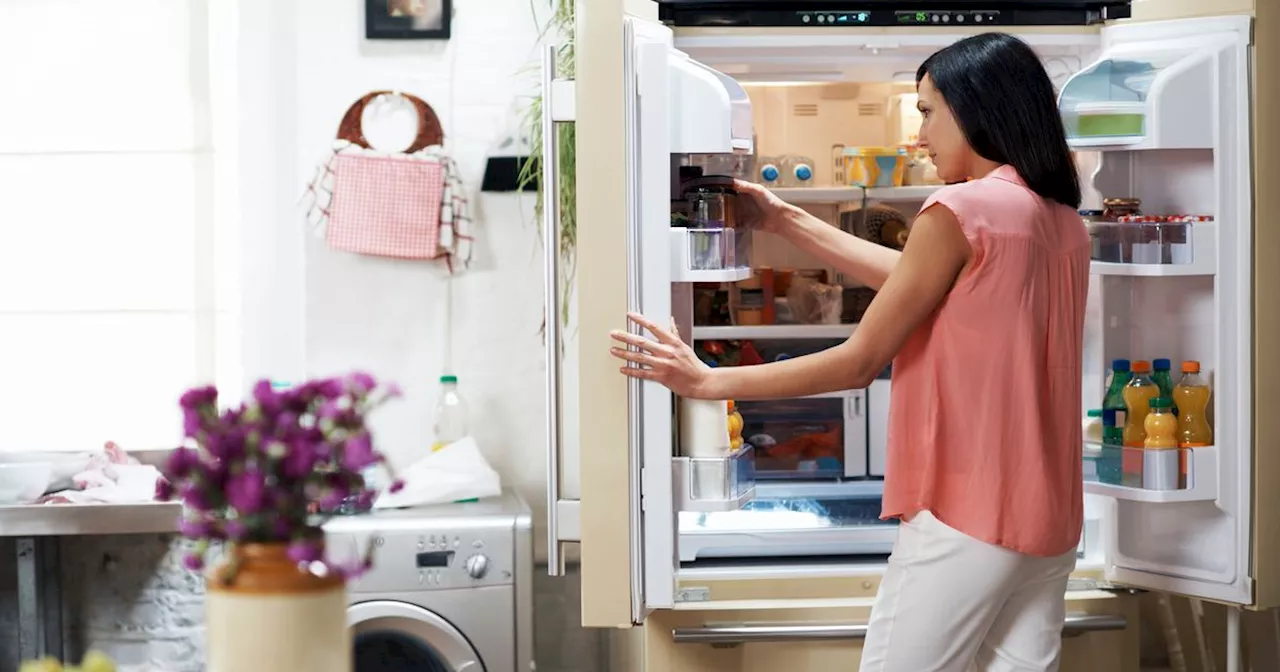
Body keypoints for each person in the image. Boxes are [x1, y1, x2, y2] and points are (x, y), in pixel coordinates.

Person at [609, 32, 1088, 672]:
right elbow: (917, 278)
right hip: (1050, 520)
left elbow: (859, 360)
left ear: (978, 109)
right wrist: (784, 218)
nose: (920, 136)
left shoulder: (959, 209)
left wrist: (707, 381)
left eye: (926, 111)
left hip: (969, 512)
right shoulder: (1058, 219)